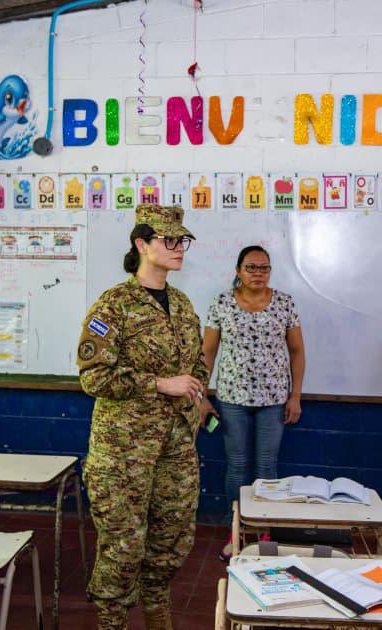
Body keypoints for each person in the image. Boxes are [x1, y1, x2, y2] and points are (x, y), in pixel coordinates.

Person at [76, 205, 211, 630]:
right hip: (123, 453)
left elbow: (197, 362)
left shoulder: (182, 305)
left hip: (175, 446)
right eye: (169, 240)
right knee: (122, 546)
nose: (179, 248)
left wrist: (193, 390)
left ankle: (158, 615)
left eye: (182, 241)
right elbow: (94, 376)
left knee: (170, 541)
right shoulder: (114, 304)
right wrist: (160, 384)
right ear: (142, 244)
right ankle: (111, 622)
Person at [202, 245, 305, 558]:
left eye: (264, 268)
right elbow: (208, 352)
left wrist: (295, 396)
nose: (258, 274)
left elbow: (297, 352)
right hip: (232, 399)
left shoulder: (284, 303)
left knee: (266, 467)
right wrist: (202, 396)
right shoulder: (221, 302)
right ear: (238, 271)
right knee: (236, 467)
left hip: (273, 400)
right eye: (251, 268)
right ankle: (236, 532)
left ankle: (262, 533)